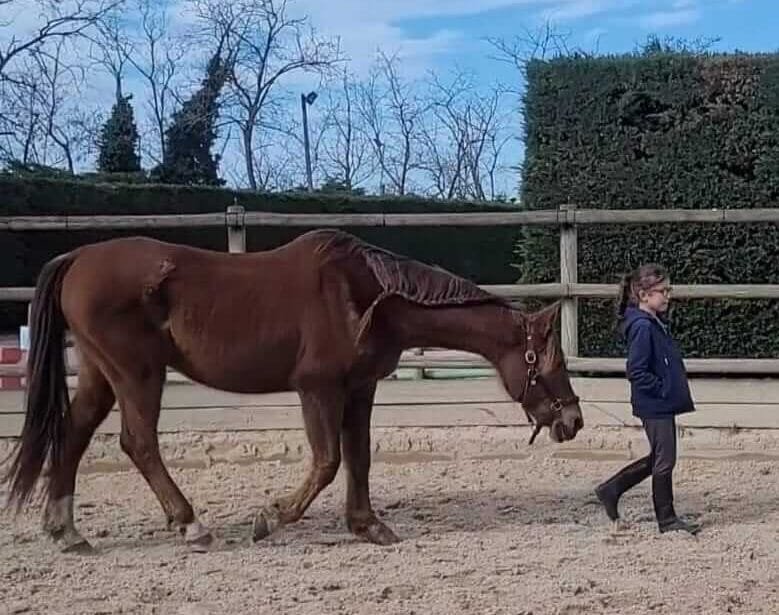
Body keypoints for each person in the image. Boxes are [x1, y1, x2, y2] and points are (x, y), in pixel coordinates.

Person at [594, 264, 700, 534]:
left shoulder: (653, 323)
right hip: (655, 403)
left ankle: (611, 489)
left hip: (660, 402)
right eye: (662, 291)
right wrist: (663, 390)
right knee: (665, 461)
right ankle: (667, 519)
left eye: (668, 290)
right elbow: (636, 371)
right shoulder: (642, 327)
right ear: (643, 295)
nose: (667, 296)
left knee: (660, 458)